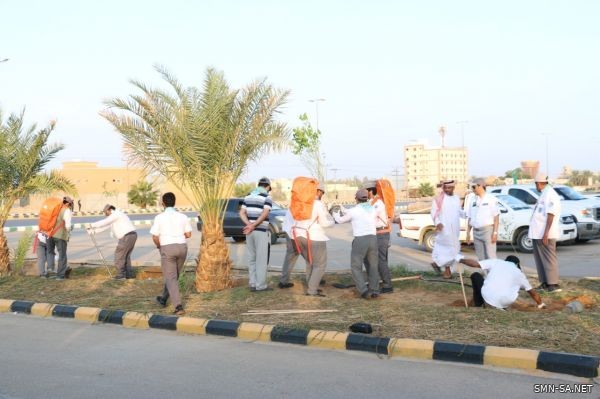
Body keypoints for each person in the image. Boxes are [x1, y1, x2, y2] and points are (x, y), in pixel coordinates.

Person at [333, 189, 380, 299]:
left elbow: (340, 220)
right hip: (373, 239)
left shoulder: (354, 210)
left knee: (356, 266)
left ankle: (363, 290)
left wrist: (334, 213)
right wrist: (343, 209)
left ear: (356, 199)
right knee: (373, 266)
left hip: (360, 240)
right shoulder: (372, 209)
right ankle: (374, 290)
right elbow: (354, 212)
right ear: (367, 198)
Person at [289, 183, 334, 297]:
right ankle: (312, 290)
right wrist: (332, 221)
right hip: (314, 237)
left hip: (298, 236)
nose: (322, 195)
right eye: (322, 193)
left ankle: (311, 285)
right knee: (320, 265)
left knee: (310, 262)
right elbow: (324, 223)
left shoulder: (301, 202)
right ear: (318, 192)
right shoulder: (317, 204)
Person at [151, 192, 192, 315]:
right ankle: (163, 298)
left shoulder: (159, 217)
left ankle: (178, 306)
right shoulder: (183, 216)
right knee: (173, 276)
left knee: (171, 277)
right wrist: (178, 235)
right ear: (174, 202)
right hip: (182, 248)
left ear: (163, 203)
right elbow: (189, 234)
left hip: (167, 248)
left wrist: (159, 246)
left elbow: (154, 236)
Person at [457, 255, 546, 310]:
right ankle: (496, 306)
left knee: (476, 275)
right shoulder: (520, 274)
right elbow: (533, 293)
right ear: (517, 265)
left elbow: (475, 264)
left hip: (488, 296)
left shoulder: (497, 262)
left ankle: (478, 304)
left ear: (505, 260)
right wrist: (540, 304)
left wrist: (461, 260)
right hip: (504, 303)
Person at [529, 172, 562, 292]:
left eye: (535, 184)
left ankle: (553, 284)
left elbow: (550, 214)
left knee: (549, 258)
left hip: (545, 233)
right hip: (538, 233)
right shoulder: (545, 193)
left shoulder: (550, 194)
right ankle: (544, 282)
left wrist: (546, 233)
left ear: (539, 183)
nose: (535, 186)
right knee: (540, 259)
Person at [87, 204, 138, 280]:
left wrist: (91, 225)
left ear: (110, 210)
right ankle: (128, 274)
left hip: (127, 236)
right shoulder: (116, 216)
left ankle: (121, 275)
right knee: (125, 256)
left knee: (119, 256)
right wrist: (94, 231)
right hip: (131, 235)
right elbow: (106, 226)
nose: (105, 214)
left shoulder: (116, 214)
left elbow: (105, 222)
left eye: (106, 212)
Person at [240, 177, 273, 292]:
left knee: (252, 258)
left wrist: (249, 224)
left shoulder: (248, 196)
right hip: (261, 231)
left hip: (249, 232)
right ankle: (261, 285)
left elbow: (242, 213)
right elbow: (265, 213)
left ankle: (253, 283)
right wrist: (254, 225)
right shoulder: (267, 197)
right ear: (267, 187)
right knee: (261, 259)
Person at [363, 181, 394, 293]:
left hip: (381, 234)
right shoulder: (371, 202)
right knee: (370, 259)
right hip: (375, 234)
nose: (363, 193)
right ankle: (376, 282)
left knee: (381, 260)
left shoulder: (378, 203)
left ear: (370, 191)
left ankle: (387, 285)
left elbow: (369, 216)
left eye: (365, 191)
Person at [430, 180, 462, 279]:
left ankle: (436, 263)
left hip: (455, 228)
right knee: (449, 250)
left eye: (449, 188)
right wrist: (437, 223)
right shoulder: (438, 199)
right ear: (443, 188)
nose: (447, 190)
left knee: (454, 248)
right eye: (445, 188)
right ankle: (447, 270)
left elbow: (459, 211)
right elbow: (433, 212)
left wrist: (466, 214)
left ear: (453, 188)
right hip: (444, 228)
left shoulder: (456, 198)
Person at [465, 178, 500, 260]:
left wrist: (495, 233)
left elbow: (496, 217)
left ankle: (493, 273)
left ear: (480, 186)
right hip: (476, 232)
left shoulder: (491, 199)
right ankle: (485, 273)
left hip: (487, 231)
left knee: (491, 256)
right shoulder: (472, 199)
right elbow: (470, 218)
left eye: (474, 187)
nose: (472, 189)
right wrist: (468, 233)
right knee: (481, 258)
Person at [53, 196, 74, 280]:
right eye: (71, 204)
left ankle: (59, 272)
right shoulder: (67, 210)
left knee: (57, 254)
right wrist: (69, 232)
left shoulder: (58, 209)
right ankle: (60, 275)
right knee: (62, 256)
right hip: (61, 236)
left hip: (53, 235)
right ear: (68, 203)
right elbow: (68, 226)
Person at [278, 208, 300, 289]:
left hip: (289, 232)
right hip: (293, 233)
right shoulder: (298, 205)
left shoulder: (293, 204)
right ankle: (283, 281)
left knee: (290, 257)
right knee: (291, 257)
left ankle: (283, 281)